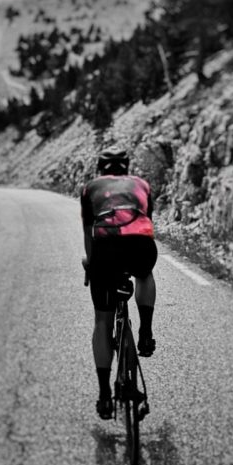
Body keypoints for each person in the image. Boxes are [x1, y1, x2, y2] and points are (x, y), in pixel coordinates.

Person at [80, 149, 158, 420]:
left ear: (100, 168)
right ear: (127, 167)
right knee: (145, 274)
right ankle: (146, 333)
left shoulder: (91, 188)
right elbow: (146, 223)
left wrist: (91, 264)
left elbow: (89, 232)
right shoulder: (142, 184)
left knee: (102, 321)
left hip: (105, 248)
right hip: (140, 245)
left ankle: (104, 395)